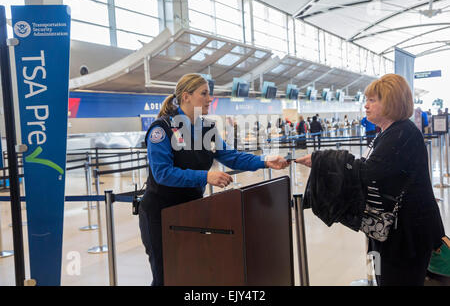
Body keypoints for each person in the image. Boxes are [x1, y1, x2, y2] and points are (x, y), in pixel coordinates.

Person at [138, 73, 289, 286]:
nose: (210, 99)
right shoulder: (161, 129)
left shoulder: (206, 128)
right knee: (165, 276)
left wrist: (265, 160)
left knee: (191, 270)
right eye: (204, 94)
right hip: (160, 213)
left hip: (191, 210)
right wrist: (206, 176)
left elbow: (231, 156)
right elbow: (163, 173)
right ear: (186, 97)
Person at [296, 74, 445, 286]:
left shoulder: (402, 134)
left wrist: (321, 159)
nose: (366, 106)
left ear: (391, 102)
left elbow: (369, 172)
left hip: (408, 234)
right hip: (395, 232)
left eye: (372, 100)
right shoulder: (388, 133)